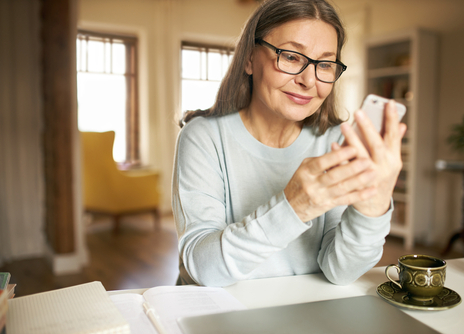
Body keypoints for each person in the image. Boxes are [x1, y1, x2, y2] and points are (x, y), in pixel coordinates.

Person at [172, 0, 406, 287]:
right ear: (249, 59)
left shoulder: (335, 141)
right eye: (292, 57)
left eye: (325, 64)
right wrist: (294, 207)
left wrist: (373, 206)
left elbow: (341, 271)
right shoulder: (203, 137)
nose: (309, 80)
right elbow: (203, 269)